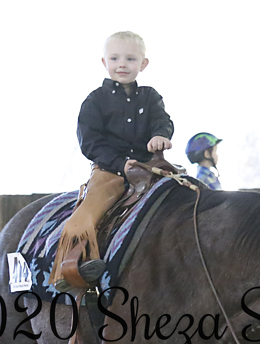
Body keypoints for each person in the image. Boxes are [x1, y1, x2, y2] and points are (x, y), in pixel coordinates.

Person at [50, 31, 174, 288]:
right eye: (115, 58)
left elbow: (162, 120)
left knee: (184, 195)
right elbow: (90, 141)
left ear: (143, 64)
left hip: (148, 168)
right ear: (104, 62)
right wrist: (119, 164)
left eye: (130, 59)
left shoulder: (151, 97)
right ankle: (71, 269)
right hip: (110, 171)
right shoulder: (95, 100)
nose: (122, 64)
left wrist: (160, 135)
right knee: (84, 216)